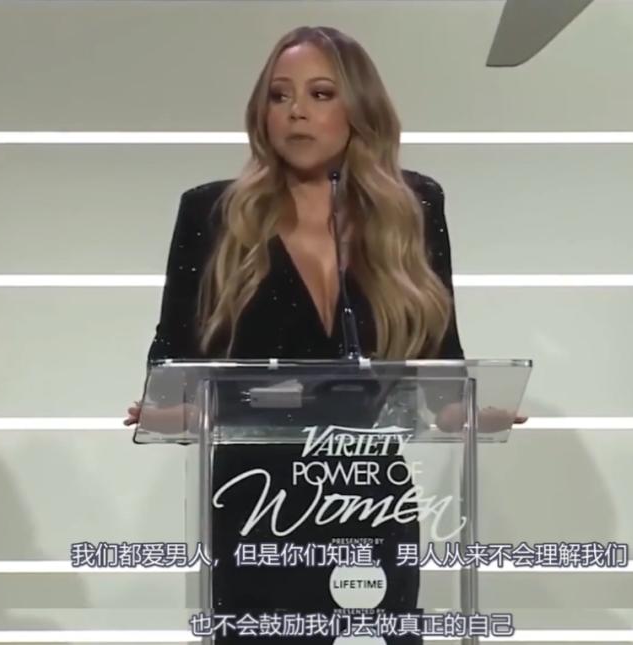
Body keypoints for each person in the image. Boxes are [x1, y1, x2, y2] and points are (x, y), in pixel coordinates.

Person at [124, 25, 522, 643]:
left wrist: (466, 413)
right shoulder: (213, 212)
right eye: (279, 96)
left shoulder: (411, 207)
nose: (296, 112)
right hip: (257, 501)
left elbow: (440, 364)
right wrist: (173, 411)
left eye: (320, 94)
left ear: (358, 107)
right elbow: (173, 362)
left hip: (369, 495)